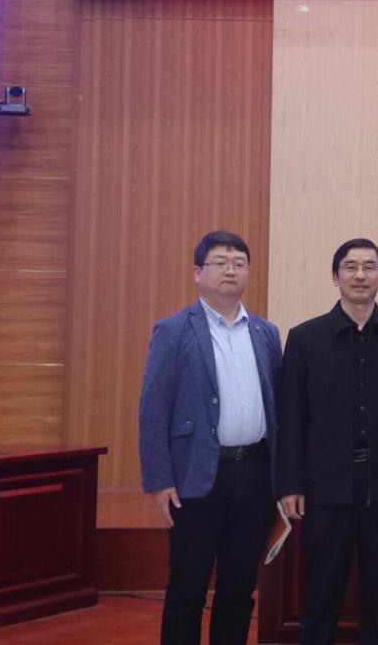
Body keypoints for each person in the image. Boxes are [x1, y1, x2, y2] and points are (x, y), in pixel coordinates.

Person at [138, 230, 282, 645]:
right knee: (188, 587)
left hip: (255, 475)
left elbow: (278, 407)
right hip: (197, 476)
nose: (230, 270)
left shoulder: (266, 333)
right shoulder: (173, 330)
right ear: (198, 273)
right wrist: (159, 480)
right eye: (220, 262)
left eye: (239, 263)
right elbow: (153, 408)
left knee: (239, 587)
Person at [276, 238, 378, 645]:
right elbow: (291, 417)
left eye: (370, 267)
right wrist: (290, 483)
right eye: (350, 267)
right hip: (325, 488)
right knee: (321, 592)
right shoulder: (305, 339)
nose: (360, 275)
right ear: (335, 277)